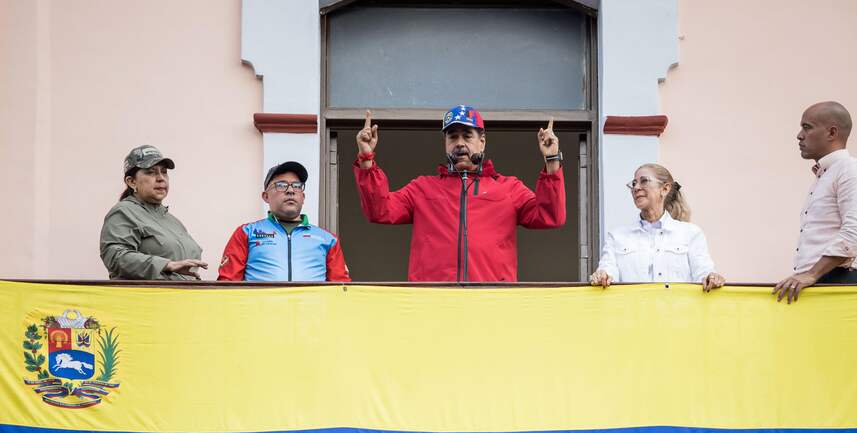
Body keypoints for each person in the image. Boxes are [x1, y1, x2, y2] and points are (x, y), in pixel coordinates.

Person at [353, 105, 565, 282]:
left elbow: (551, 216)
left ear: (482, 142)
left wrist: (552, 159)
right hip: (433, 303)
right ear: (445, 144)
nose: (460, 143)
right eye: (453, 137)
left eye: (467, 136)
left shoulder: (508, 188)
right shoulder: (422, 188)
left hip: (492, 303)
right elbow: (379, 210)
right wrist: (366, 157)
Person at [773, 101, 857, 303]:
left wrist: (812, 274)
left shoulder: (852, 171)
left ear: (831, 133)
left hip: (838, 281)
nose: (799, 135)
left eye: (807, 127)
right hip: (816, 282)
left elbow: (855, 234)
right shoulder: (826, 176)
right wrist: (809, 276)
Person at [589, 164, 724, 291]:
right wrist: (602, 275)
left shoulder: (691, 233)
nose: (636, 188)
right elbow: (608, 271)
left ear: (664, 189)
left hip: (677, 314)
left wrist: (712, 277)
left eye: (644, 181)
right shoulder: (617, 236)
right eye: (634, 183)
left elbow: (703, 273)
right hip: (633, 314)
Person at [217, 161, 350, 282]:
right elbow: (227, 284)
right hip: (259, 308)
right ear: (266, 196)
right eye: (281, 185)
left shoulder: (327, 239)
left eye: (297, 186)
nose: (290, 190)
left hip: (311, 309)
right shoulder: (246, 232)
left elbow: (341, 289)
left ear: (303, 197)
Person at [100, 145, 207, 280]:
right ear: (132, 182)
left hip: (183, 298)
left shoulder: (173, 221)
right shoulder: (124, 212)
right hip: (146, 298)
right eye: (151, 172)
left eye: (164, 172)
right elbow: (114, 256)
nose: (161, 178)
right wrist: (166, 265)